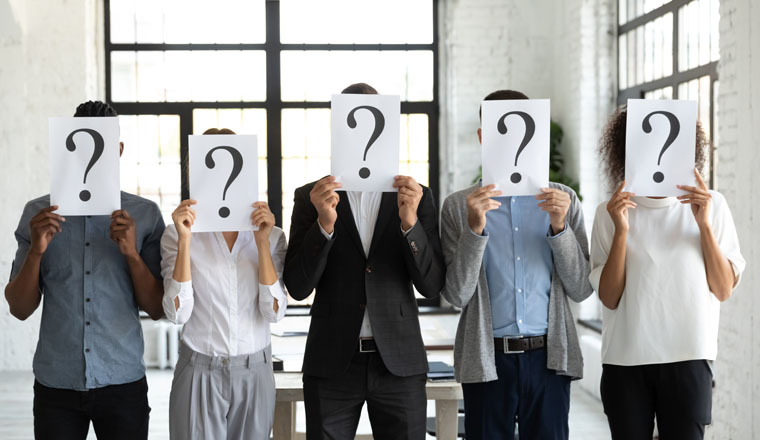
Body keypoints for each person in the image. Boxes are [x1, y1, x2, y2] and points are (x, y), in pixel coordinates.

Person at [283, 83, 446, 440]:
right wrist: (324, 225)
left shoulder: (417, 195)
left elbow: (431, 286)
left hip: (399, 363)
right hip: (332, 362)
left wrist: (410, 224)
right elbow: (296, 286)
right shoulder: (311, 196)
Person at [4, 100, 165, 440]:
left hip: (122, 381)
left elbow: (156, 307)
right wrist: (36, 250)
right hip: (56, 384)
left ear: (118, 149)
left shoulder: (146, 215)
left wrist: (131, 254)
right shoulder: (38, 214)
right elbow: (19, 309)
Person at [440, 90, 593, 439]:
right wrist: (474, 229)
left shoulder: (564, 201)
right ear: (482, 137)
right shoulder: (457, 206)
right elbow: (456, 295)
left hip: (549, 358)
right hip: (486, 358)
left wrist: (559, 227)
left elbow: (581, 288)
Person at [590, 109, 745, 439]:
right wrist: (621, 231)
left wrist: (703, 224)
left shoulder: (712, 205)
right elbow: (609, 298)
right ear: (627, 150)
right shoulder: (609, 212)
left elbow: (722, 289)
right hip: (625, 361)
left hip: (688, 356)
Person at [160, 128, 287, 440]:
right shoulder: (175, 235)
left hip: (256, 370)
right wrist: (187, 241)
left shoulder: (272, 236)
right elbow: (178, 314)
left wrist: (260, 245)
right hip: (199, 370)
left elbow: (274, 312)